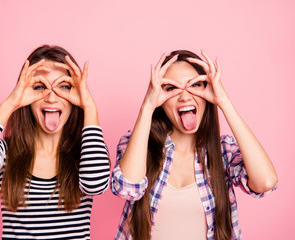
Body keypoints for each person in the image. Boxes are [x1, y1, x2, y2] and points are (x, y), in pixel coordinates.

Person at [111, 50, 278, 240]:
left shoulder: (223, 151)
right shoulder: (138, 145)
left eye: (195, 85)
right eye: (171, 88)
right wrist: (147, 106)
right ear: (160, 100)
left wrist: (224, 101)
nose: (184, 97)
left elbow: (265, 182)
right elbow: (127, 188)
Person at [0, 45, 110, 240]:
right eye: (40, 87)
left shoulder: (88, 151)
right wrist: (10, 104)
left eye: (64, 86)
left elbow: (96, 185)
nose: (51, 97)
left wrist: (89, 106)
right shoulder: (6, 152)